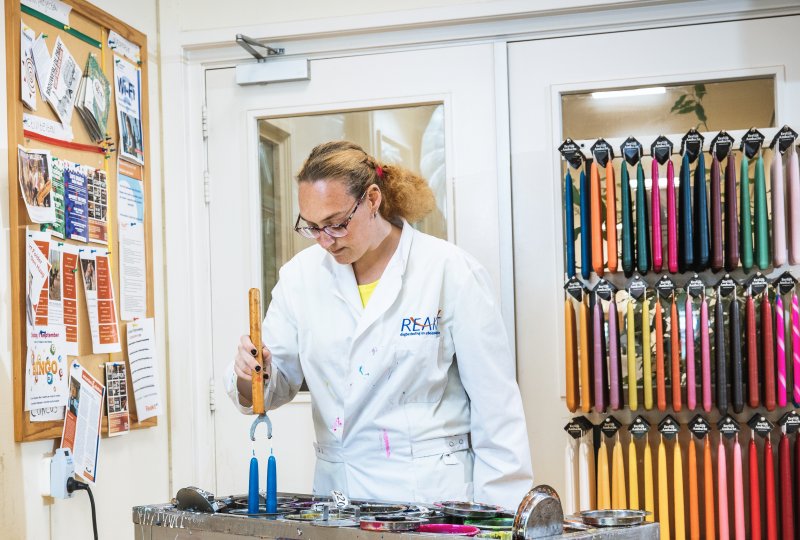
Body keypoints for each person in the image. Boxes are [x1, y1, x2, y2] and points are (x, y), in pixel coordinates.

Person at [226, 140, 532, 509]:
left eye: (336, 224)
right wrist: (250, 372)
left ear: (372, 199)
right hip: (338, 496)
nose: (325, 241)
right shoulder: (300, 278)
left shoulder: (449, 271)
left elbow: (496, 408)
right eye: (312, 227)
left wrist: (501, 515)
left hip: (431, 498)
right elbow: (271, 387)